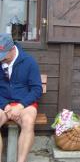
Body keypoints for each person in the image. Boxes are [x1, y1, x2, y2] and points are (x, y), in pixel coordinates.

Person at [0, 33, 42, 162]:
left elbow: (36, 89)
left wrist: (20, 105)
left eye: (3, 56)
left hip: (25, 104)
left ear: (12, 49)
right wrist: (5, 105)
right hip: (2, 103)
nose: (1, 59)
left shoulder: (29, 62)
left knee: (28, 121)